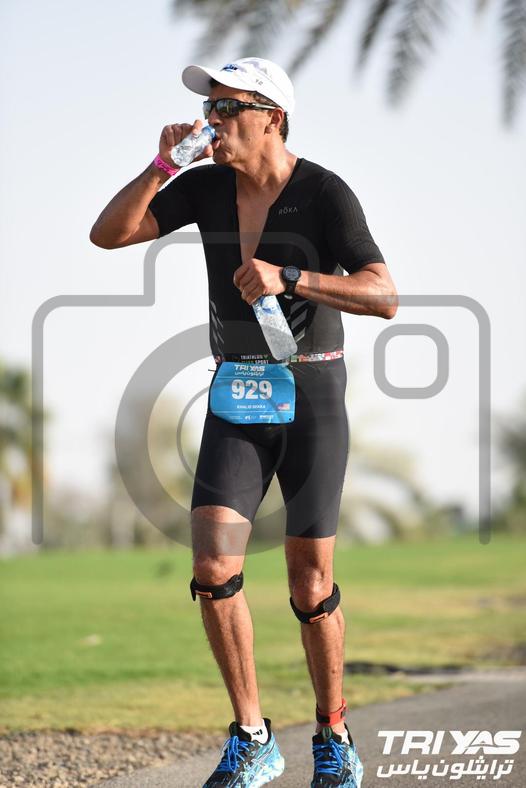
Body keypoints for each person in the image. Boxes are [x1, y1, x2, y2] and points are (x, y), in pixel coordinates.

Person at [90, 56, 398, 788]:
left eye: (229, 108)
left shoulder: (324, 192)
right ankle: (253, 736)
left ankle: (332, 733)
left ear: (273, 119)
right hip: (237, 393)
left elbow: (384, 294)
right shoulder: (203, 186)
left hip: (313, 393)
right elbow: (109, 234)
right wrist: (162, 166)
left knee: (310, 584)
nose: (214, 121)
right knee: (213, 566)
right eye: (211, 109)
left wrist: (290, 277)